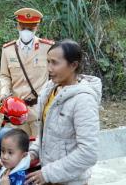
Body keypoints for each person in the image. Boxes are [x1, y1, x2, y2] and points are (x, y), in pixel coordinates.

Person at [25, 39, 101, 185]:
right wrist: (31, 154)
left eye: (55, 63)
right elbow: (46, 133)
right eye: (48, 62)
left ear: (73, 65)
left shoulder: (83, 100)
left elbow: (88, 153)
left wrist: (47, 174)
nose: (49, 68)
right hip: (50, 175)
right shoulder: (50, 89)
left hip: (69, 180)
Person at [0, 8, 54, 137]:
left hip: (39, 110)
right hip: (17, 112)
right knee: (19, 149)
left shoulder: (47, 48)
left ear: (37, 27)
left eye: (30, 28)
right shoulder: (8, 50)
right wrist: (4, 92)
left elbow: (54, 75)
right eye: (23, 27)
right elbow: (5, 75)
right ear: (17, 26)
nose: (26, 31)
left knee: (40, 150)